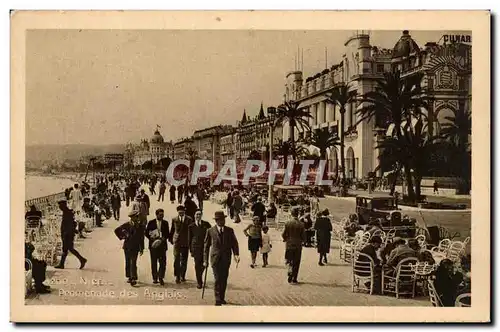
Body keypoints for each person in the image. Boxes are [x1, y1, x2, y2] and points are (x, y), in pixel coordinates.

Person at [203, 211, 240, 306]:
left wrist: (236, 254)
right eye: (219, 220)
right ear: (216, 221)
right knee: (217, 279)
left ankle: (222, 297)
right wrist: (205, 260)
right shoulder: (210, 231)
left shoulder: (229, 230)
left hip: (226, 258)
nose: (222, 221)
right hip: (215, 259)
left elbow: (234, 243)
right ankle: (218, 299)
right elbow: (206, 247)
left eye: (223, 219)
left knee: (224, 279)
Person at [114, 210, 145, 286]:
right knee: (128, 262)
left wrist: (142, 248)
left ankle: (133, 277)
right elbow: (116, 230)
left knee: (133, 262)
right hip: (127, 247)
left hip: (136, 247)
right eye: (135, 217)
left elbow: (141, 238)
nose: (137, 218)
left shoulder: (140, 226)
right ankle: (129, 276)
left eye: (137, 216)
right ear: (132, 217)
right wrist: (123, 236)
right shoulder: (127, 225)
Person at [54, 200, 87, 270]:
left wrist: (65, 235)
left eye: (60, 206)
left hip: (67, 235)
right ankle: (62, 264)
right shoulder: (67, 212)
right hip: (68, 234)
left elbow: (69, 225)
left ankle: (82, 259)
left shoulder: (67, 213)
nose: (59, 207)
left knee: (69, 249)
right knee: (66, 249)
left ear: (63, 206)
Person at [169, 205, 193, 284]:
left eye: (182, 211)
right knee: (176, 259)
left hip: (186, 242)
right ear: (177, 212)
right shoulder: (174, 219)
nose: (181, 213)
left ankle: (182, 275)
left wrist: (191, 242)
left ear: (184, 211)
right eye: (179, 211)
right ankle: (177, 276)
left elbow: (191, 231)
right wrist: (171, 239)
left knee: (184, 260)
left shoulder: (189, 219)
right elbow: (172, 230)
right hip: (177, 242)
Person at [145, 208, 169, 285]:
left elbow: (167, 233)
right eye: (160, 215)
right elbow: (146, 233)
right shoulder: (151, 222)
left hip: (162, 245)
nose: (162, 216)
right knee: (154, 262)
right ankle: (155, 278)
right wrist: (152, 237)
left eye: (163, 215)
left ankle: (161, 277)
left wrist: (163, 238)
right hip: (153, 246)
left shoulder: (165, 223)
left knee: (163, 263)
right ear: (156, 215)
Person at [188, 210, 211, 288]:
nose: (198, 216)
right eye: (197, 214)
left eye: (199, 214)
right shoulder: (191, 226)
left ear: (202, 215)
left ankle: (199, 274)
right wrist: (191, 250)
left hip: (205, 248)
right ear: (194, 215)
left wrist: (209, 244)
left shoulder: (206, 224)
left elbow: (211, 234)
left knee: (205, 264)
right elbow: (189, 238)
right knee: (197, 265)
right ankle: (199, 282)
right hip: (196, 248)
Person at [282, 207, 306, 284]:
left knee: (289, 259)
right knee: (296, 261)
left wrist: (285, 239)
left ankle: (289, 270)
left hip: (289, 244)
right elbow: (303, 237)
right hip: (298, 245)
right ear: (298, 214)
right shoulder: (301, 224)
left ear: (291, 214)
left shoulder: (287, 223)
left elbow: (283, 234)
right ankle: (294, 278)